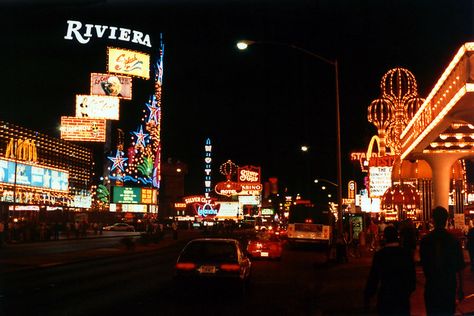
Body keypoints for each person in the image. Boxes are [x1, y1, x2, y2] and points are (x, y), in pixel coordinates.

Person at [420, 206, 465, 315]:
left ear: (433, 220)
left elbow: (424, 264)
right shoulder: (454, 241)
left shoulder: (425, 241)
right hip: (449, 285)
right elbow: (460, 267)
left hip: (432, 285)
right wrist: (461, 288)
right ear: (446, 220)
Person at [364, 225, 416, 315]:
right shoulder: (405, 254)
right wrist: (407, 291)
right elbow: (412, 276)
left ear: (385, 238)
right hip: (402, 295)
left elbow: (373, 277)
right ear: (397, 236)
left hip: (386, 294)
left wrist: (368, 294)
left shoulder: (380, 255)